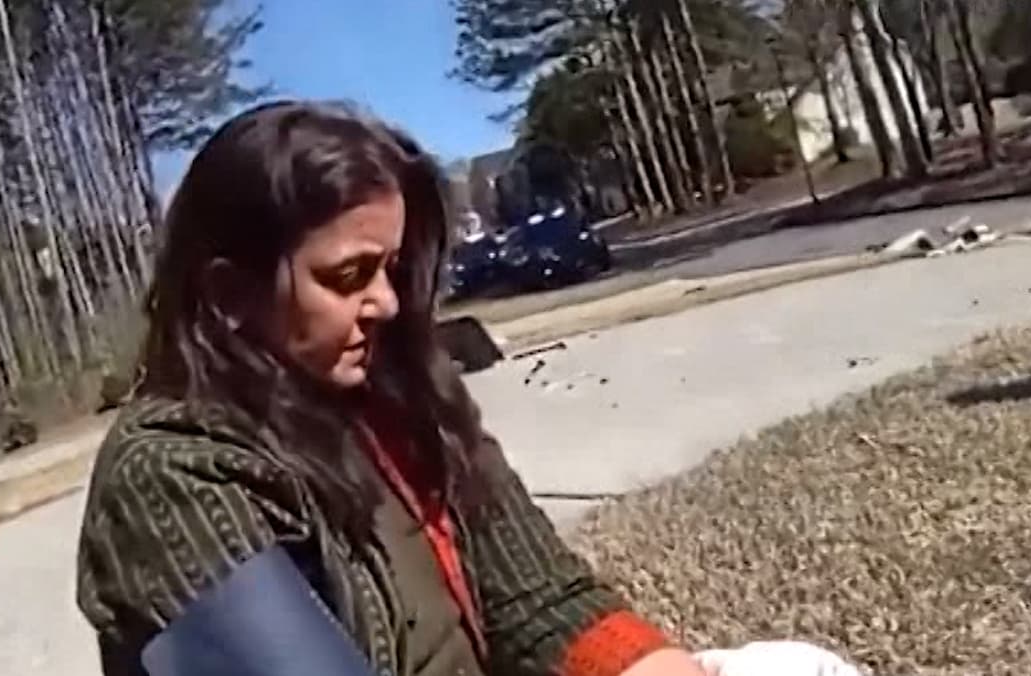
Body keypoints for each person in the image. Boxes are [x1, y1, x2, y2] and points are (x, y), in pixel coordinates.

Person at [72, 100, 718, 676]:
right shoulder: (172, 477)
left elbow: (540, 603)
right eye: (348, 276)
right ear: (230, 294)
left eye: (394, 268)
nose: (385, 301)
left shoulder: (403, 400)